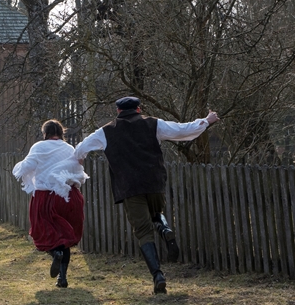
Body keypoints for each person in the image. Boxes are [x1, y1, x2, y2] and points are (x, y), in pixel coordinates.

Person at [74, 97, 219, 294]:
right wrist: (206, 121)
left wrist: (80, 159)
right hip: (154, 183)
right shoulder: (153, 124)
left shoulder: (105, 131)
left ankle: (158, 275)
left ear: (118, 111)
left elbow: (80, 149)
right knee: (156, 213)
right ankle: (165, 229)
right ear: (139, 109)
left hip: (130, 188)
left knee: (143, 231)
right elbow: (182, 130)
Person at [11, 119, 89, 288]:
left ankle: (55, 253)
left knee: (42, 232)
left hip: (46, 197)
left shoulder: (39, 147)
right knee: (65, 237)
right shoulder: (69, 148)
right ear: (61, 133)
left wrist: (19, 167)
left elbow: (27, 166)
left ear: (45, 133)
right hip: (69, 196)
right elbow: (78, 170)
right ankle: (62, 278)